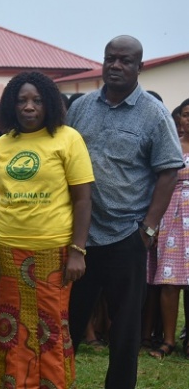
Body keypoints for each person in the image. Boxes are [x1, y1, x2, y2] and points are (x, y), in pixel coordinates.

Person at [67, 35, 183, 389]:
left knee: (125, 329)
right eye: (110, 58)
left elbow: (168, 171)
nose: (115, 66)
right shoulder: (81, 107)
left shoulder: (154, 114)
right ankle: (56, 381)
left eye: (125, 60)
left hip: (127, 236)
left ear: (139, 67)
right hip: (80, 236)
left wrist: (148, 228)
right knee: (68, 321)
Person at [0, 71, 94, 388]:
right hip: (8, 251)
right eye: (22, 101)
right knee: (11, 323)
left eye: (37, 100)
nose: (29, 107)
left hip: (52, 252)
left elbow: (83, 200)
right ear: (11, 105)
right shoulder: (3, 143)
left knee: (50, 326)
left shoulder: (68, 139)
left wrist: (77, 251)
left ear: (50, 104)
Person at [147, 97, 189, 359]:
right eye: (186, 114)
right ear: (179, 118)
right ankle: (168, 341)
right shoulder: (171, 146)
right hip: (172, 217)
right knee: (169, 282)